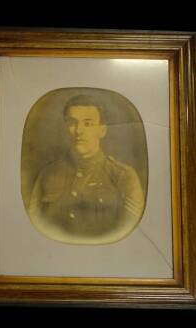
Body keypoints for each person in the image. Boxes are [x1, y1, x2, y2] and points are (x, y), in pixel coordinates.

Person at [28, 95, 145, 237]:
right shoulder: (47, 174)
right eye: (72, 123)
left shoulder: (123, 176)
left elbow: (131, 231)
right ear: (65, 128)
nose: (79, 131)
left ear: (102, 130)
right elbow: (34, 226)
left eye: (87, 124)